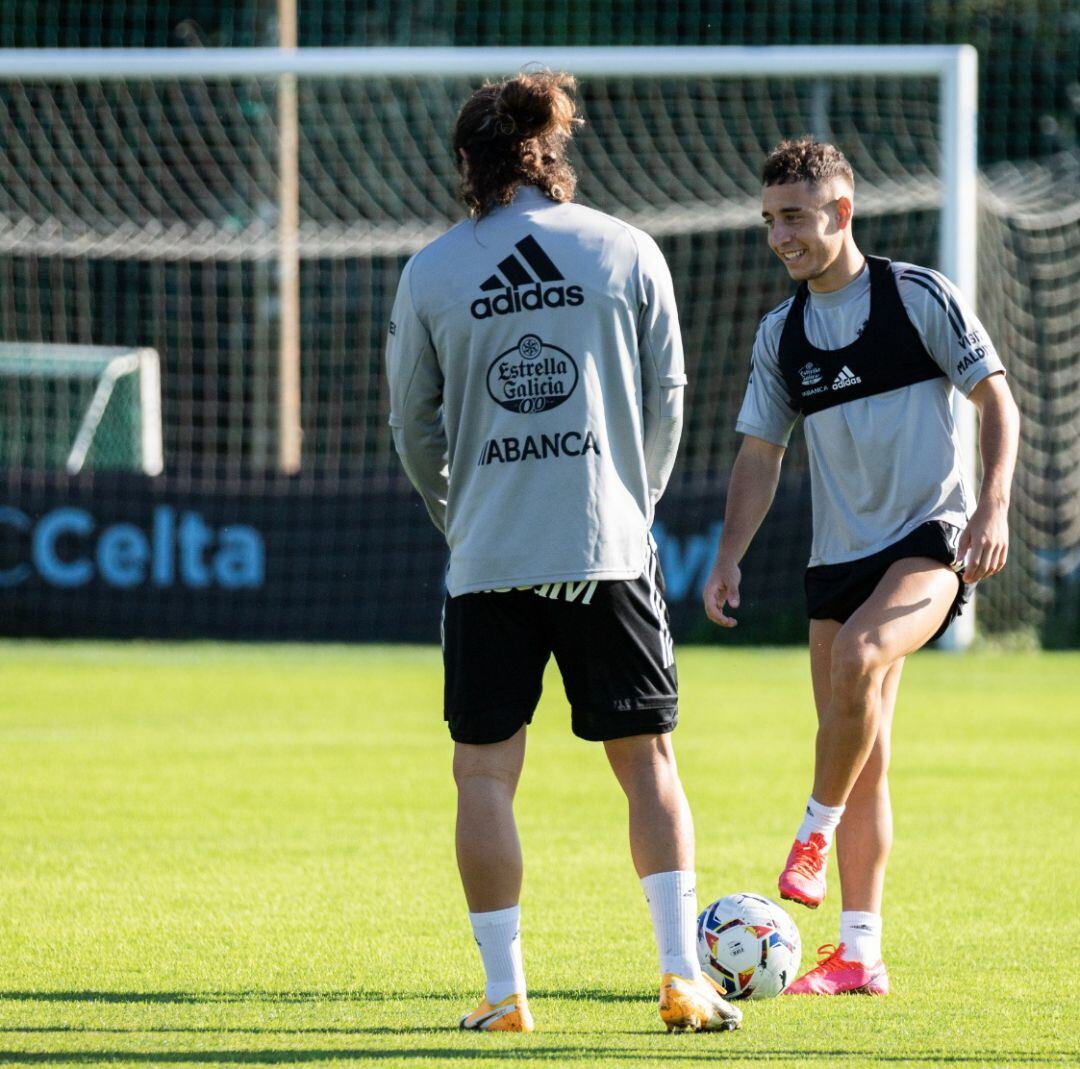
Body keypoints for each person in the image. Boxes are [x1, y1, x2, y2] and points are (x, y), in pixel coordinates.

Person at [386, 71, 741, 1034]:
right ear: (555, 155)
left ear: (469, 163)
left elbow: (412, 429)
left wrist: (455, 514)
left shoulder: (431, 270)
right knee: (649, 762)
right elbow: (670, 396)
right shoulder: (627, 249)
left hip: (489, 554)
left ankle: (505, 995)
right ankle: (681, 978)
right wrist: (637, 498)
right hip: (608, 546)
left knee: (484, 775)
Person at [704, 137, 1020, 995]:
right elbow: (760, 455)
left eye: (795, 218)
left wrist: (991, 509)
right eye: (770, 220)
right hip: (836, 559)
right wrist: (729, 554)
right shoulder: (783, 333)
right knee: (862, 747)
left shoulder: (916, 295)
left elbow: (997, 398)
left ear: (841, 213)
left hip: (930, 538)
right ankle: (859, 952)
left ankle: (810, 829)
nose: (781, 237)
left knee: (859, 659)